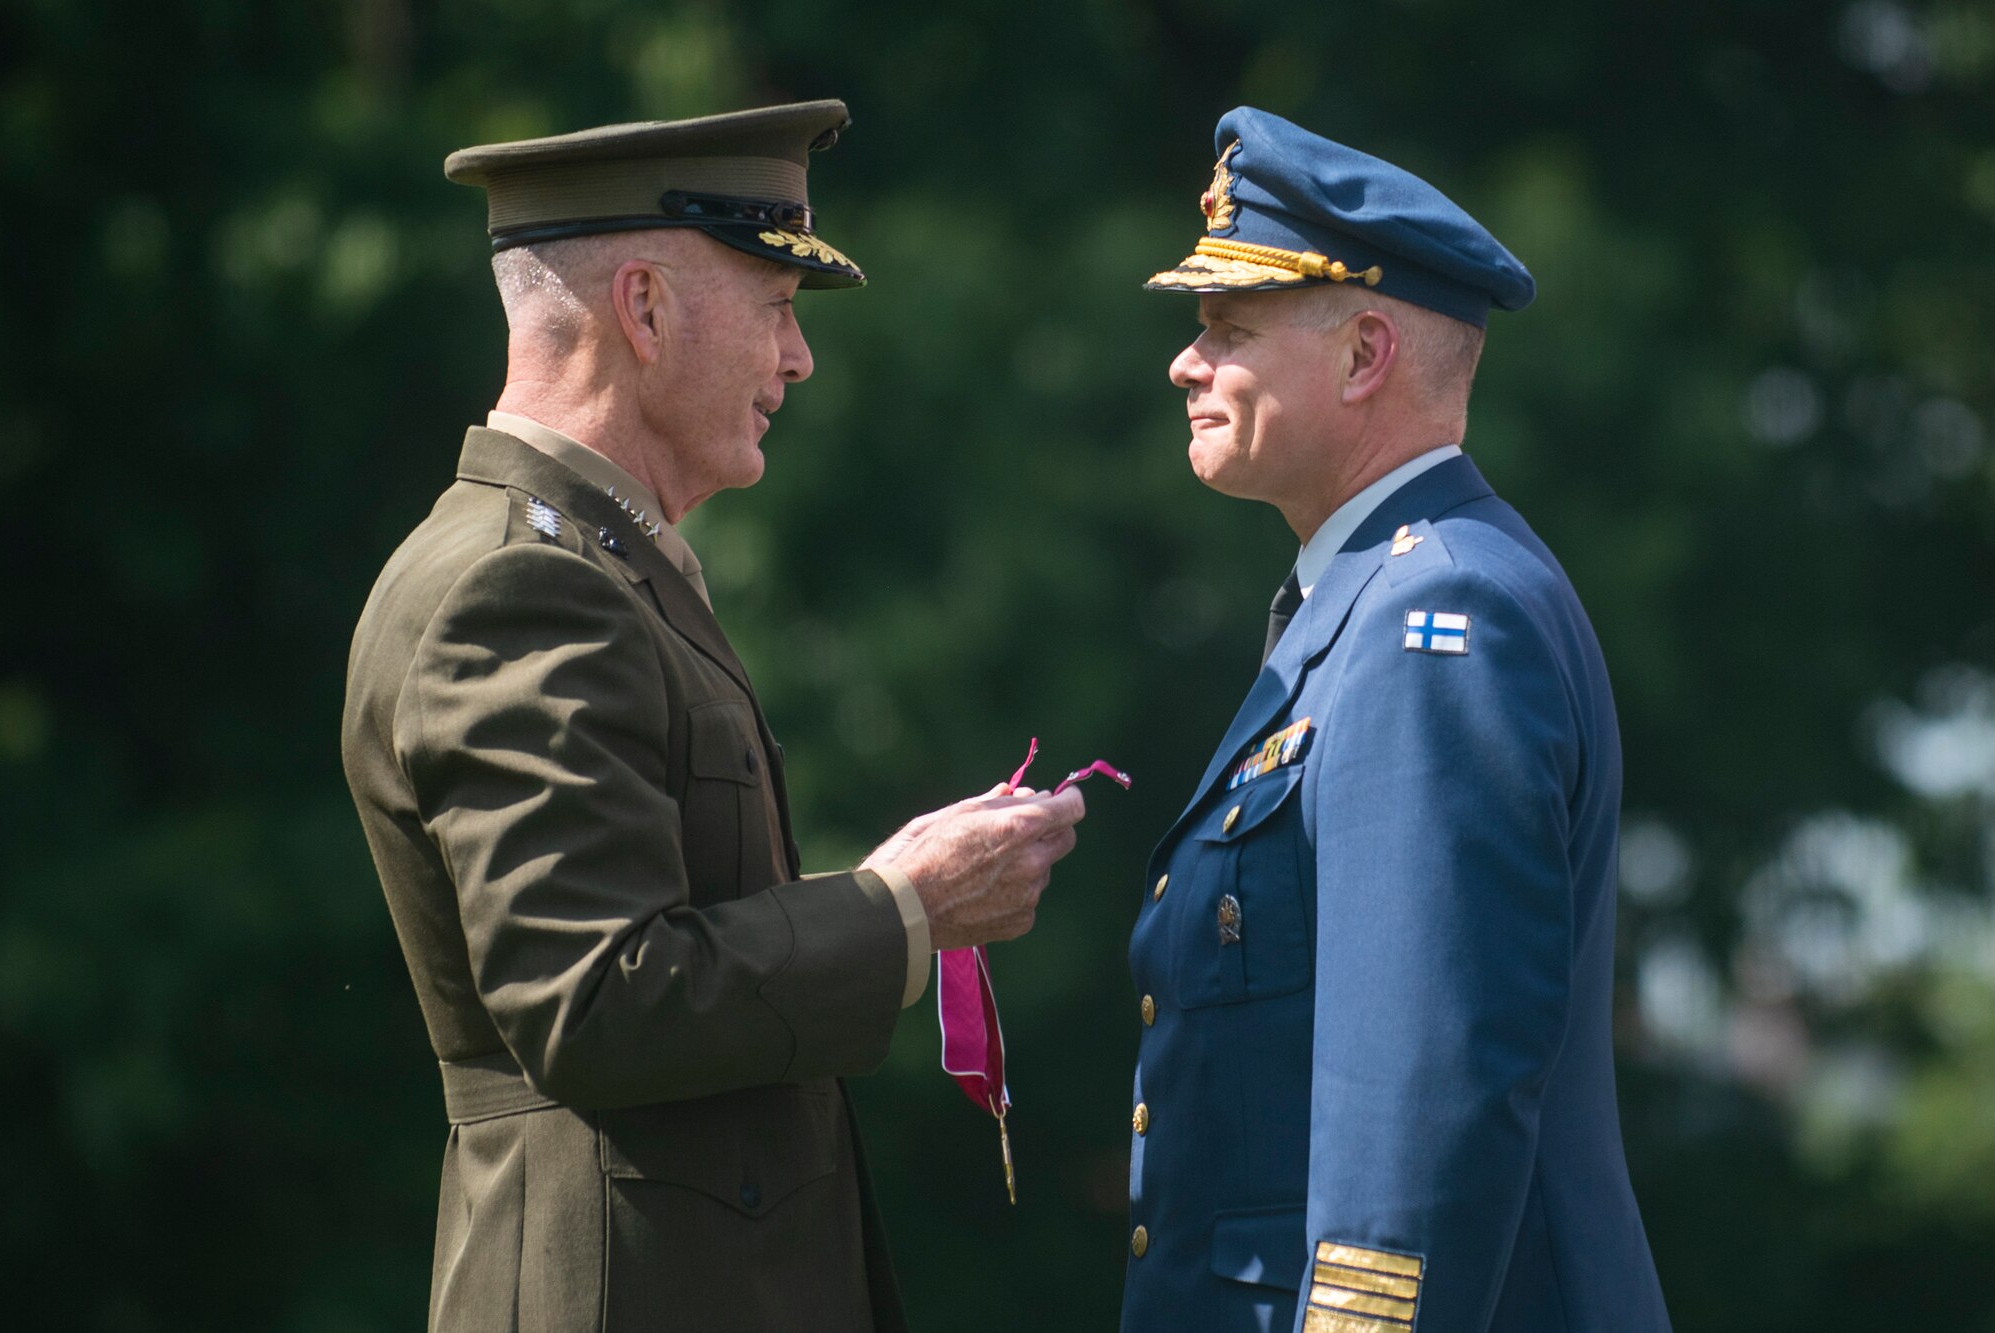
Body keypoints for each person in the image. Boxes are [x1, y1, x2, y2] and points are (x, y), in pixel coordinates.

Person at [339, 100, 1087, 1333]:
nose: (797, 360)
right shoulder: (519, 585)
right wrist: (903, 908)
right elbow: (596, 999)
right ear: (643, 308)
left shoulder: (588, 567)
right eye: (778, 307)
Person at [1121, 107, 1671, 1333]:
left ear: (1365, 354)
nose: (1183, 362)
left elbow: (1422, 1091)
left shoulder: (1439, 615)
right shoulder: (1373, 599)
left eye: (1226, 327)